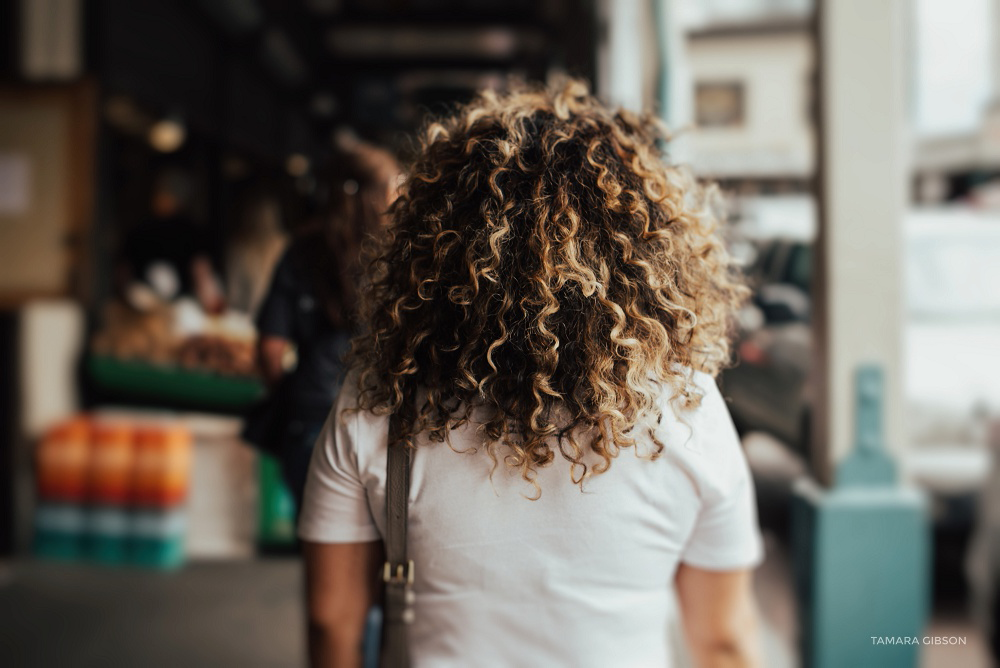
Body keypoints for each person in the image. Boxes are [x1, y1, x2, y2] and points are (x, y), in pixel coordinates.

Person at [299, 81, 764, 667]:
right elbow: (721, 640)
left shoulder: (375, 402)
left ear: (435, 247)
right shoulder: (687, 407)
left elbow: (331, 621)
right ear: (647, 249)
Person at [254, 143, 400, 507]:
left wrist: (294, 393)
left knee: (321, 547)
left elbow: (270, 349)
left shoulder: (301, 251)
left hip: (310, 419)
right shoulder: (402, 254)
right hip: (382, 418)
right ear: (382, 192)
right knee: (385, 550)